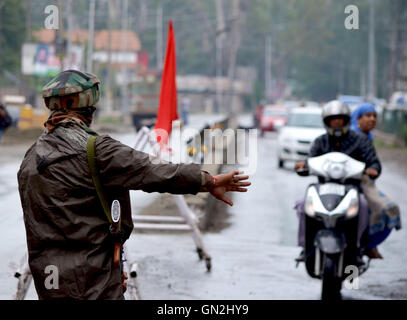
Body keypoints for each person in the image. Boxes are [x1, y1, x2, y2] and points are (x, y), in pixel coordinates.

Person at [17, 70, 251, 300]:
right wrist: (208, 181)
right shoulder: (98, 150)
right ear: (88, 108)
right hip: (94, 284)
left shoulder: (31, 157)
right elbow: (155, 171)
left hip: (49, 284)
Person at [294, 100, 382, 261]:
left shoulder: (360, 140)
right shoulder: (320, 142)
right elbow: (310, 161)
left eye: (340, 119)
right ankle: (304, 246)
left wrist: (373, 168)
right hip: (324, 188)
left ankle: (358, 248)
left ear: (347, 120)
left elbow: (373, 161)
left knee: (362, 206)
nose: (337, 123)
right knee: (302, 204)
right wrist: (303, 165)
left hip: (352, 188)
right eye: (333, 120)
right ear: (327, 122)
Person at [349, 102, 401, 259]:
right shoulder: (350, 136)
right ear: (357, 118)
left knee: (389, 209)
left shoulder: (368, 137)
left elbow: (373, 162)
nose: (372, 119)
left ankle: (368, 244)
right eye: (368, 116)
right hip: (349, 182)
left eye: (374, 116)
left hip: (365, 182)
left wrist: (373, 169)